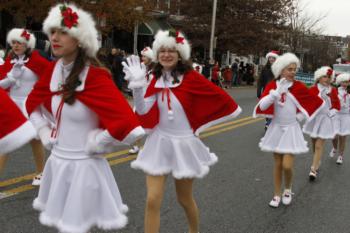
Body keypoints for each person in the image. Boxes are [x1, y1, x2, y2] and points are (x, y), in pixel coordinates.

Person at [26, 4, 144, 233]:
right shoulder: (53, 70)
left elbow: (129, 123)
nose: (55, 37)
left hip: (84, 167)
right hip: (57, 163)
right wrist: (42, 131)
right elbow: (31, 103)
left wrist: (99, 142)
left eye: (64, 32)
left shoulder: (96, 77)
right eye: (53, 32)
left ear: (80, 40)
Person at [122, 29, 241, 233]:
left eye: (172, 51)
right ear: (157, 54)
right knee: (152, 200)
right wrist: (137, 88)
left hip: (184, 143)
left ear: (180, 55)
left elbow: (222, 100)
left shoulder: (192, 78)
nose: (166, 55)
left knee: (184, 199)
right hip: (158, 143)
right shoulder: (153, 79)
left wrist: (200, 124)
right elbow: (142, 110)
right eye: (162, 51)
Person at [253, 53, 324, 208]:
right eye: (289, 69)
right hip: (276, 128)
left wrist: (298, 117)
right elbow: (262, 106)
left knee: (287, 165)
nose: (293, 72)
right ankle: (277, 194)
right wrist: (275, 94)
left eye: (294, 69)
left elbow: (314, 103)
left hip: (291, 129)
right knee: (278, 163)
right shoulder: (273, 85)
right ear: (281, 70)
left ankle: (288, 188)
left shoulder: (298, 86)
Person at [0, 28, 49, 185]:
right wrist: (11, 78)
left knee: (35, 140)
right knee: (6, 140)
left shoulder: (37, 59)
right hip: (12, 104)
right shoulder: (9, 61)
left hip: (30, 104)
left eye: (19, 42)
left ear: (27, 44)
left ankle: (41, 172)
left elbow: (50, 78)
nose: (16, 45)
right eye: (13, 42)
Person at [303, 66, 340, 181]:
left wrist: (331, 112)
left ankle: (313, 169)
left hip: (325, 120)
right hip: (314, 119)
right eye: (324, 76)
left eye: (329, 77)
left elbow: (337, 105)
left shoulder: (332, 90)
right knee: (314, 142)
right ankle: (317, 160)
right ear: (318, 77)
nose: (327, 79)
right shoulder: (313, 89)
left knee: (319, 145)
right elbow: (306, 103)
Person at [128, 46, 155, 155]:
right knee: (136, 125)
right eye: (142, 56)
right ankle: (136, 146)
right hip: (140, 100)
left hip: (151, 102)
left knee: (151, 127)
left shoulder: (155, 71)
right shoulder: (141, 68)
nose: (142, 58)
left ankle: (152, 146)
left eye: (145, 56)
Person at [0, 88, 37, 155]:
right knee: (7, 140)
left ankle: (40, 165)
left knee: (35, 139)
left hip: (30, 99)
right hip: (13, 100)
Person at [329, 73, 350, 164]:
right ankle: (334, 147)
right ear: (340, 82)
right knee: (334, 136)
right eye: (343, 82)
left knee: (343, 136)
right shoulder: (335, 91)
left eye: (347, 82)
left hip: (346, 116)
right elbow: (331, 102)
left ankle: (340, 156)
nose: (345, 84)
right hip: (336, 114)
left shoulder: (349, 92)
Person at [257, 51, 279, 131]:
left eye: (273, 58)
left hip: (276, 91)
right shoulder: (265, 69)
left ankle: (270, 123)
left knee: (274, 108)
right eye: (270, 57)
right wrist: (259, 91)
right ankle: (268, 121)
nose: (271, 59)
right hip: (267, 91)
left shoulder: (279, 69)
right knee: (267, 107)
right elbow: (260, 81)